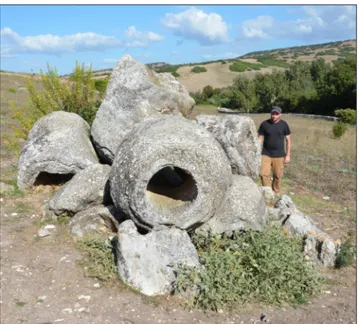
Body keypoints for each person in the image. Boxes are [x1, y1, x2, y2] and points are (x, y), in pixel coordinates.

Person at [258, 106, 291, 196]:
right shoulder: (264, 124)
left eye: (276, 114)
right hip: (266, 153)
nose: (274, 116)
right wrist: (257, 151)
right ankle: (268, 192)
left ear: (280, 114)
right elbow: (260, 138)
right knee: (263, 174)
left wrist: (287, 155)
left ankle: (276, 191)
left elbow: (288, 140)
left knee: (277, 175)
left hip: (279, 155)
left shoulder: (284, 125)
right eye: (273, 113)